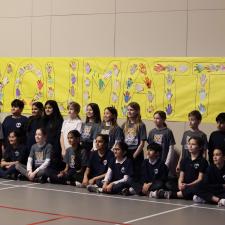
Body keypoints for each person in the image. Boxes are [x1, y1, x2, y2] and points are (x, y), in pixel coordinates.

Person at [121, 102, 147, 182]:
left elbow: (142, 143)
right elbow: (122, 141)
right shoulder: (124, 125)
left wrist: (134, 155)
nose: (129, 111)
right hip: (126, 152)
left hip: (136, 152)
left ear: (137, 111)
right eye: (128, 110)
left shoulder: (141, 125)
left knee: (136, 173)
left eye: (131, 110)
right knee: (125, 172)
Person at [147, 110, 176, 175]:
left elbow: (171, 148)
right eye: (154, 118)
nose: (155, 120)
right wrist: (149, 159)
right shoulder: (152, 132)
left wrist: (167, 163)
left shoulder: (168, 132)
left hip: (163, 161)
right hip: (153, 161)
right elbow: (149, 148)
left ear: (163, 119)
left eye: (157, 118)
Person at [41, 100, 64, 170]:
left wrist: (54, 149)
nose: (47, 110)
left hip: (54, 148)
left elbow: (58, 136)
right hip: (43, 147)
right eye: (46, 108)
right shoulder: (43, 120)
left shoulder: (59, 120)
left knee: (52, 167)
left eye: (50, 108)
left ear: (54, 108)